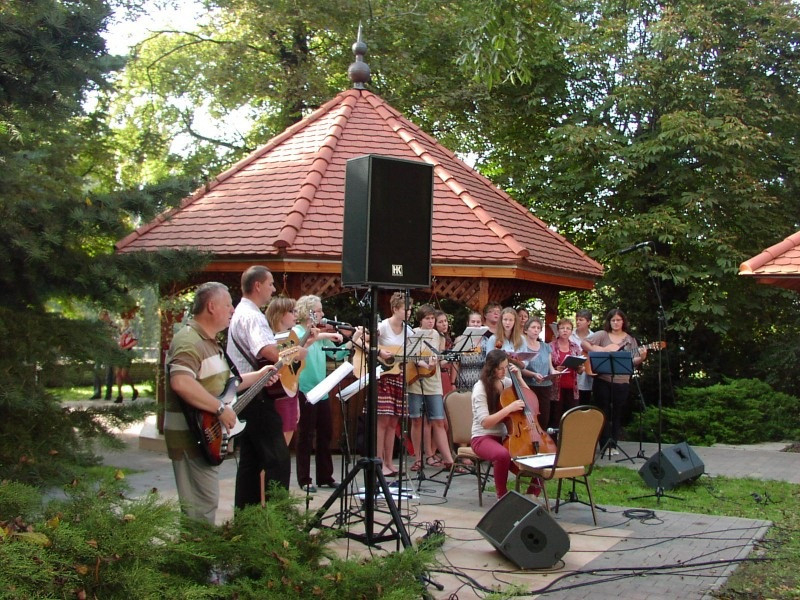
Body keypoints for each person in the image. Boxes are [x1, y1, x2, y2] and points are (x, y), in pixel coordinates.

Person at [165, 281, 275, 523]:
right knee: (199, 511)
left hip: (204, 437)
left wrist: (260, 375)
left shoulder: (209, 342)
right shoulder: (188, 341)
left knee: (205, 506)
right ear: (211, 307)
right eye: (228, 305)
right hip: (190, 438)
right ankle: (196, 549)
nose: (232, 310)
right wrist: (219, 409)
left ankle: (199, 547)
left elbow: (225, 385)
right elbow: (181, 382)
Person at [226, 266, 300, 508]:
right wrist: (296, 351)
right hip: (256, 396)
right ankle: (278, 519)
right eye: (270, 284)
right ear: (257, 286)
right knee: (278, 460)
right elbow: (268, 351)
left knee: (250, 462)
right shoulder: (253, 316)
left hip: (244, 393)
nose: (274, 289)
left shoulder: (241, 312)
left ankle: (246, 519)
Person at [293, 295, 358, 493]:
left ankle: (325, 476)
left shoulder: (318, 334)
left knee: (325, 433)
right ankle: (304, 478)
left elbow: (336, 354)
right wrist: (325, 336)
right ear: (308, 312)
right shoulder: (298, 332)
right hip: (304, 389)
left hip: (321, 390)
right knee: (306, 436)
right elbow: (300, 347)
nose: (322, 314)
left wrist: (354, 339)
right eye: (319, 310)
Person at [470, 349, 535, 499]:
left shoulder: (505, 382)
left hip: (506, 437)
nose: (504, 371)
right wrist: (508, 409)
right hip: (482, 437)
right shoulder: (480, 388)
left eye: (506, 367)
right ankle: (502, 496)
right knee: (502, 455)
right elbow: (485, 423)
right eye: (500, 368)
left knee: (535, 455)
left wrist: (519, 378)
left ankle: (532, 495)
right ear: (491, 369)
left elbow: (529, 400)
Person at [582, 308, 646, 454]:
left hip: (622, 381)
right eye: (613, 320)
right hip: (602, 379)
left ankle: (613, 445)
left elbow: (632, 361)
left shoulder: (630, 340)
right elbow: (584, 344)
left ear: (623, 322)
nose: (616, 323)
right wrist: (598, 350)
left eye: (618, 320)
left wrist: (641, 358)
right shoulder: (602, 335)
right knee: (602, 411)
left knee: (617, 413)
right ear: (609, 322)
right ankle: (604, 444)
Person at [407, 304, 454, 472]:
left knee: (438, 420)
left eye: (433, 318)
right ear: (420, 320)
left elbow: (439, 358)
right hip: (415, 380)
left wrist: (446, 359)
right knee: (416, 420)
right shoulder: (413, 333)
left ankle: (448, 460)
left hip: (433, 382)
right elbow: (411, 355)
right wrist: (424, 363)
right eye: (427, 318)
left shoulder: (437, 335)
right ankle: (418, 459)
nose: (431, 321)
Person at [374, 292, 413, 477]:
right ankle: (378, 462)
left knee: (393, 422)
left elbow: (413, 353)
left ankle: (389, 462)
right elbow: (362, 342)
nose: (409, 312)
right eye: (406, 309)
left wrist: (426, 362)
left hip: (399, 376)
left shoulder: (408, 331)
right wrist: (380, 352)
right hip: (383, 376)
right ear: (395, 309)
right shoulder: (382, 326)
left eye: (410, 309)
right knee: (382, 421)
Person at [264, 297, 305, 446]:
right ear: (280, 314)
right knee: (279, 444)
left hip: (290, 391)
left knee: (287, 437)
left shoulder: (290, 336)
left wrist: (296, 399)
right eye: (291, 311)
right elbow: (282, 359)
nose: (296, 315)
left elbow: (294, 371)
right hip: (279, 393)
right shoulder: (270, 339)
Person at [519, 316, 557, 431]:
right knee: (529, 417)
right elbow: (520, 368)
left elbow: (550, 367)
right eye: (533, 327)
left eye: (538, 328)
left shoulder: (546, 347)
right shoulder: (522, 346)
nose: (536, 330)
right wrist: (533, 374)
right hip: (529, 386)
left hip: (545, 386)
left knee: (544, 417)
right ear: (526, 330)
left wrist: (555, 372)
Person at [549, 318, 583, 429]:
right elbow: (546, 367)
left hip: (572, 388)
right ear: (558, 330)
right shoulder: (551, 346)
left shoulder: (575, 346)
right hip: (556, 388)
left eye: (568, 328)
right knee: (555, 418)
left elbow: (580, 369)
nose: (565, 330)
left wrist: (580, 368)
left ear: (571, 331)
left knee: (571, 418)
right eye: (562, 328)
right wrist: (555, 368)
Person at [454, 310, 485, 391]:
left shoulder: (486, 341)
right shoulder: (460, 340)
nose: (475, 324)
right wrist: (452, 383)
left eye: (478, 322)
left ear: (482, 323)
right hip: (463, 381)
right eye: (473, 321)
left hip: (481, 383)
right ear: (468, 323)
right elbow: (455, 363)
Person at [114, 310, 139, 403]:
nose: (125, 320)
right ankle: (119, 395)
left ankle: (134, 390)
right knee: (118, 373)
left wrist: (126, 347)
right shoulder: (119, 329)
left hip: (127, 352)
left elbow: (135, 341)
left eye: (127, 318)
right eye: (123, 318)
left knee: (124, 374)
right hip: (119, 353)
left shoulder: (131, 329)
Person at [571, 309, 594, 406]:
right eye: (577, 319)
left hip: (586, 379)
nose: (577, 322)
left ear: (588, 322)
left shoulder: (594, 337)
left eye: (581, 320)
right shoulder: (570, 335)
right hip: (571, 378)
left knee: (584, 406)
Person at [90, 309, 115, 400]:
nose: (104, 317)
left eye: (105, 315)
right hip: (99, 351)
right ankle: (97, 392)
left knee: (109, 371)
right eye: (102, 315)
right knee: (96, 369)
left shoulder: (112, 325)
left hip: (109, 351)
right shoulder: (97, 326)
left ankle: (108, 393)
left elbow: (116, 336)